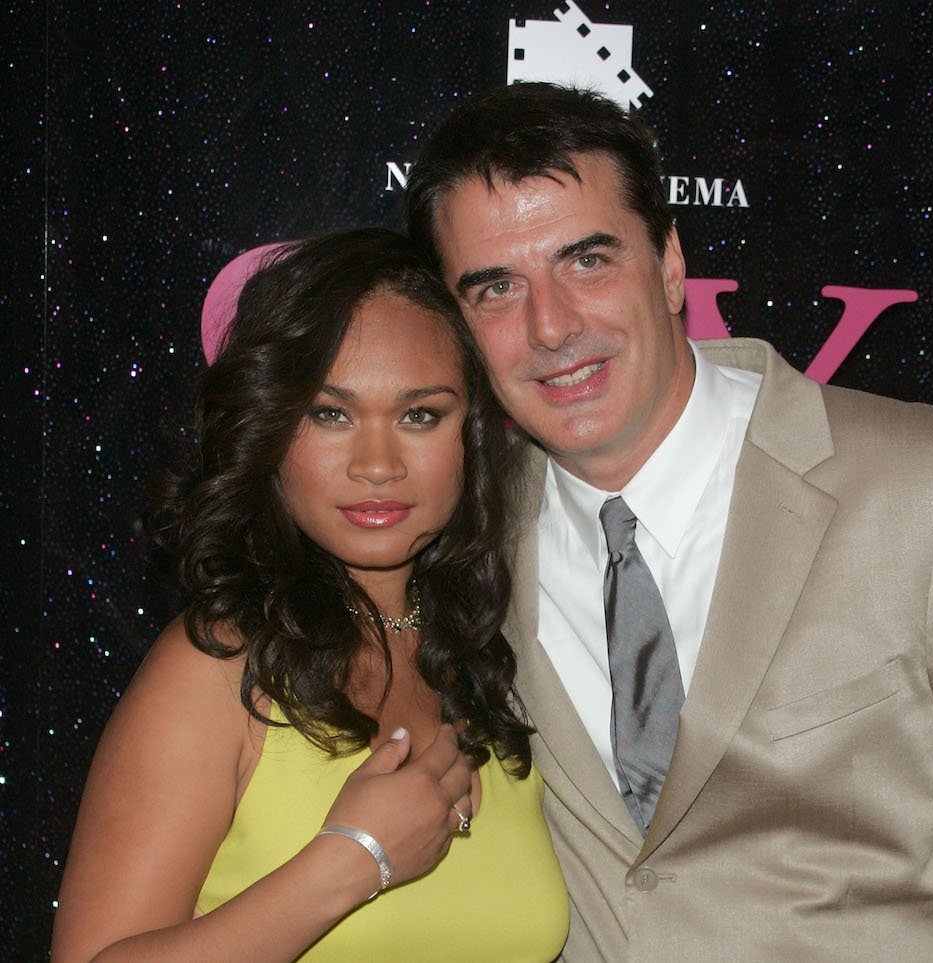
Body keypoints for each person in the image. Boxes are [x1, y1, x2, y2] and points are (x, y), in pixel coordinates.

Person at [404, 83, 933, 960]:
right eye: (496, 288)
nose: (550, 325)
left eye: (588, 260)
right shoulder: (459, 529)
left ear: (671, 263)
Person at [51, 228, 568, 962]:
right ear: (269, 429)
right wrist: (355, 860)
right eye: (330, 414)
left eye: (420, 414)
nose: (377, 464)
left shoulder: (492, 661)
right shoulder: (220, 667)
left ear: (473, 435)